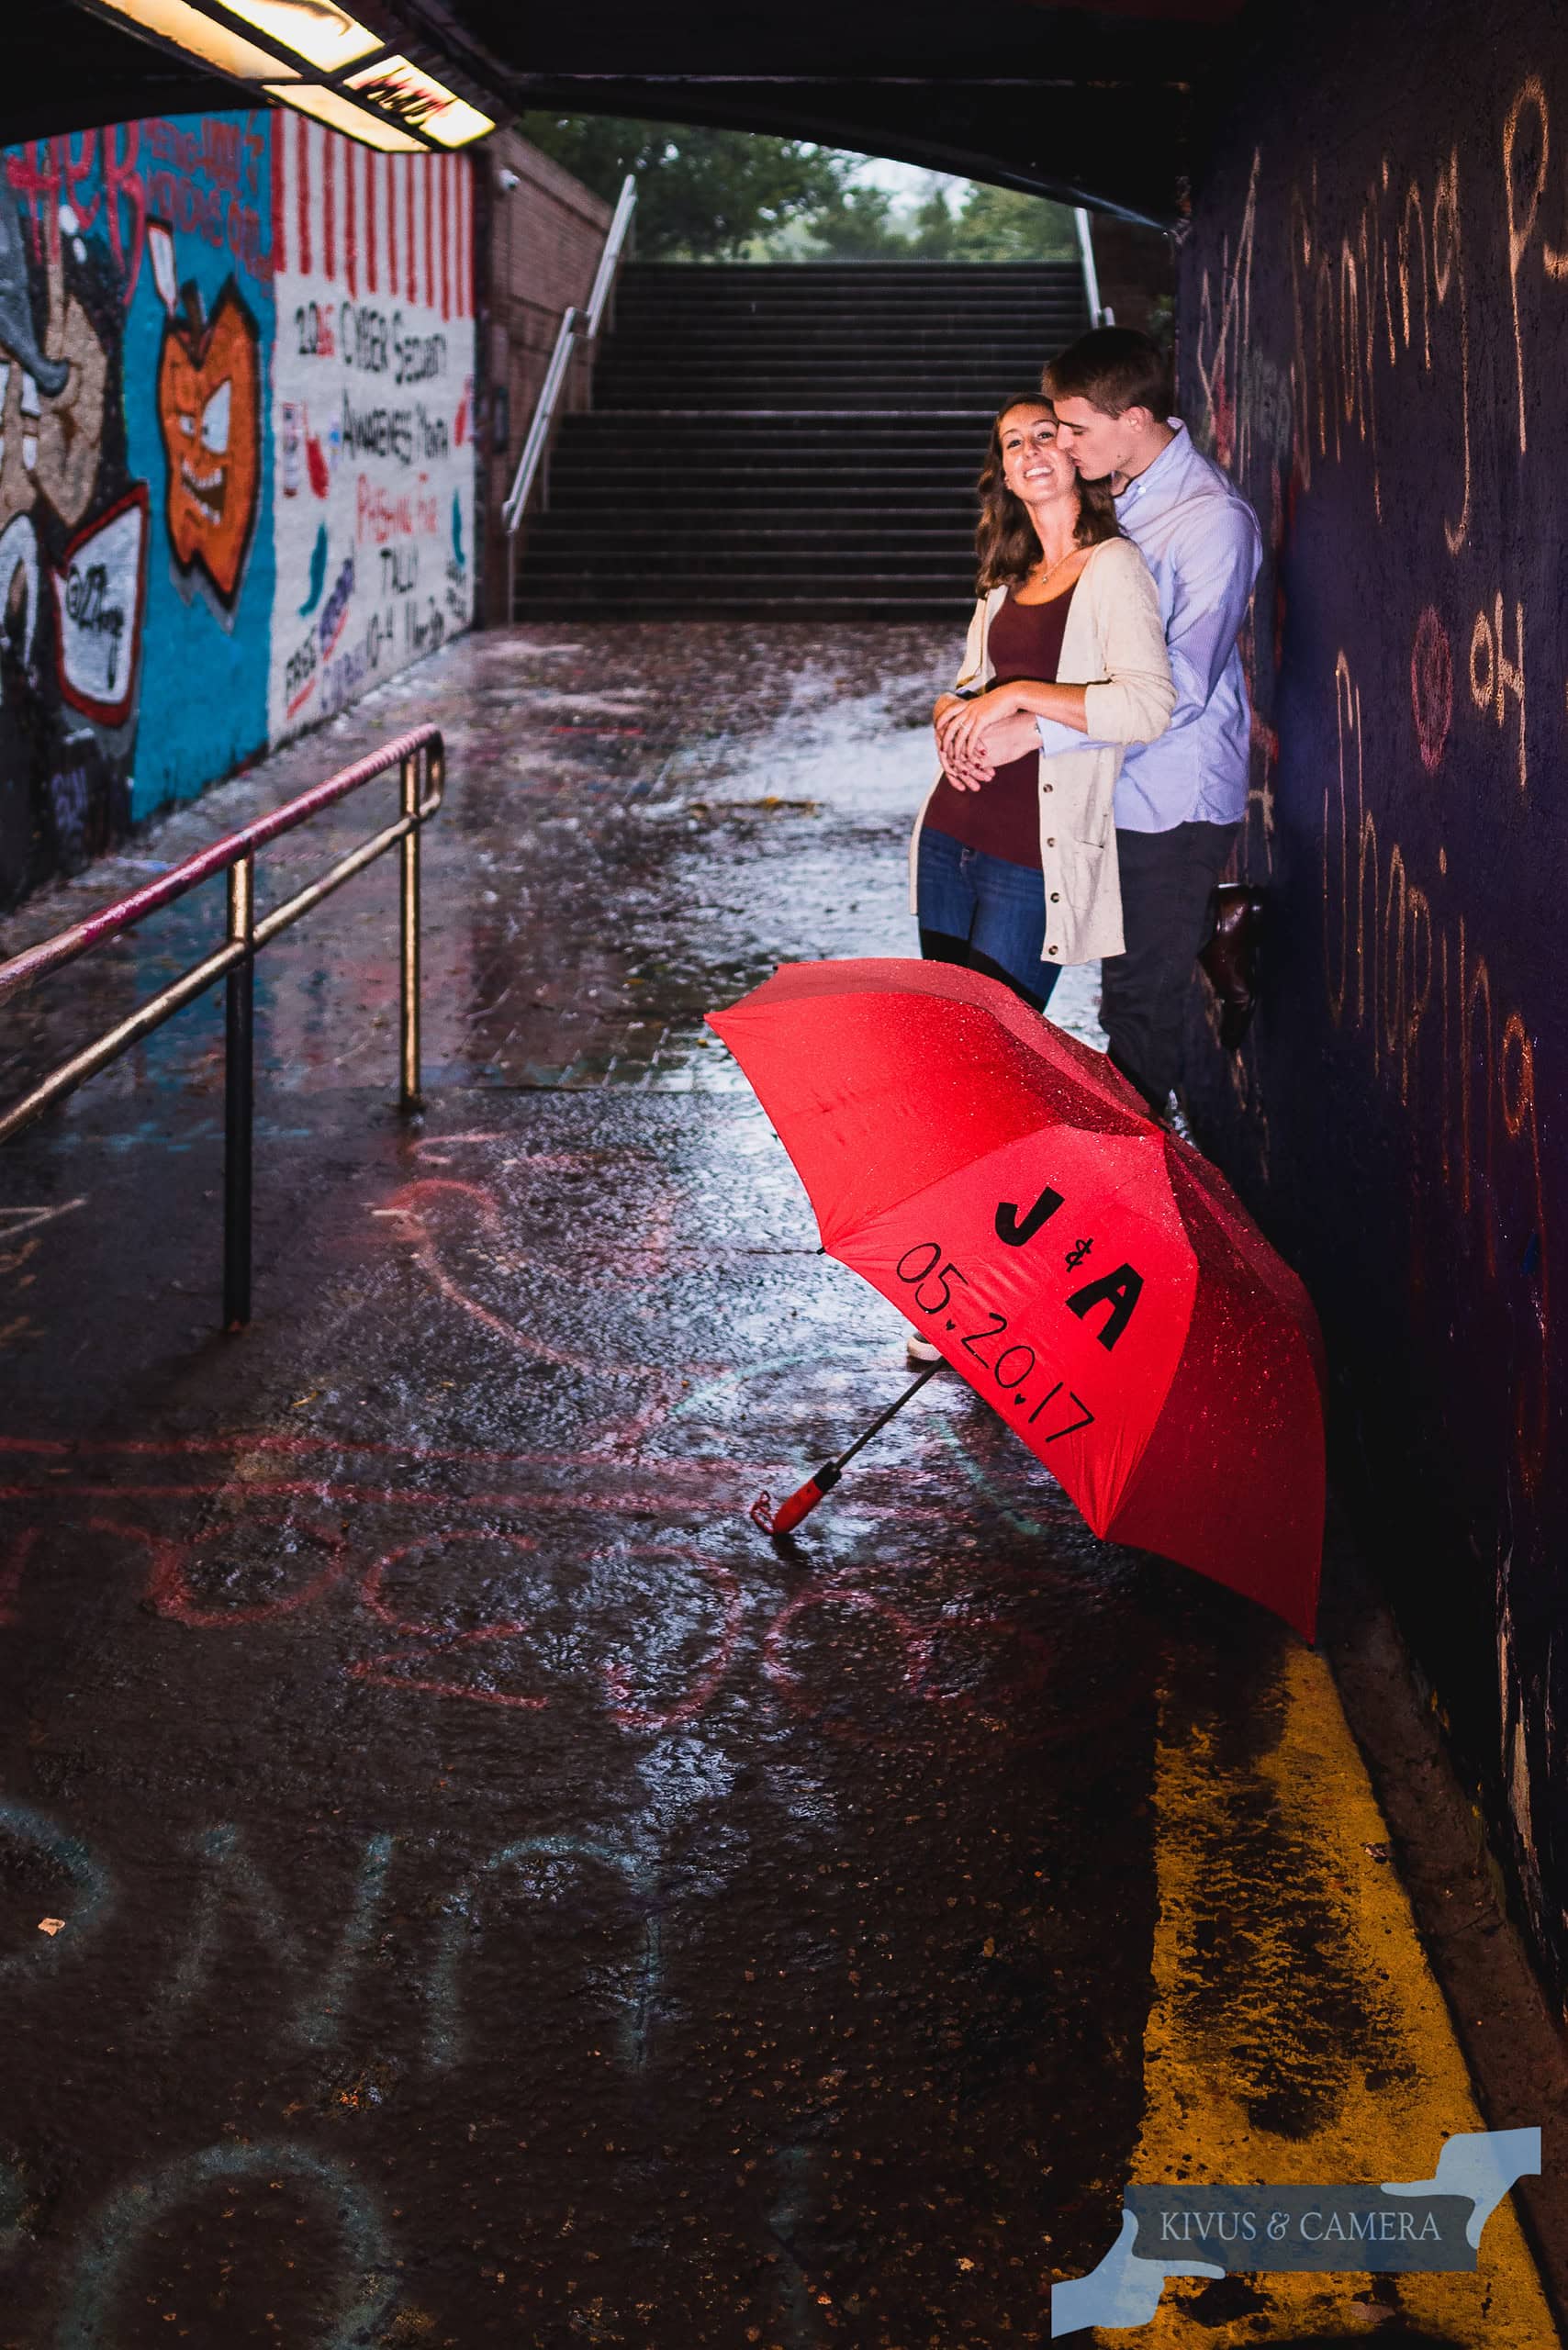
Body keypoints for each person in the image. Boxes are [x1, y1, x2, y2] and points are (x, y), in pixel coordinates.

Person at [903, 393, 1174, 1363]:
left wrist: (1020, 698)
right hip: (952, 841)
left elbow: (1146, 705)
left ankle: (982, 1287)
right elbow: (970, 676)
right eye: (1012, 442)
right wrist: (951, 713)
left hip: (1032, 860)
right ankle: (944, 1281)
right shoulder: (1008, 577)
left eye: (1044, 434)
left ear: (1074, 453)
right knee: (949, 1070)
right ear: (1006, 471)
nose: (1030, 451)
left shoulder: (1114, 568)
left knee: (1001, 1082)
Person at [1040, 327, 1263, 1116]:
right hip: (1110, 777)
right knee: (1132, 941)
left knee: (1134, 1002)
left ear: (1133, 419)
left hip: (1173, 791)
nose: (1061, 444)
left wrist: (1039, 729)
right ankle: (1213, 916)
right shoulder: (1115, 496)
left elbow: (1182, 689)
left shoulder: (1210, 521)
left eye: (1076, 428)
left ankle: (1138, 1172)